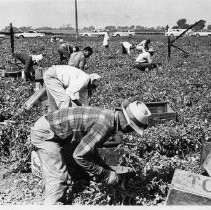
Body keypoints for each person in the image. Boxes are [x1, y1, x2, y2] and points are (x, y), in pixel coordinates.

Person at [30, 100, 151, 204]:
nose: (128, 132)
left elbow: (90, 150)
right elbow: (80, 155)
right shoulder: (105, 125)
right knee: (57, 177)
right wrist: (105, 174)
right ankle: (51, 204)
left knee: (74, 169)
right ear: (127, 125)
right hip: (46, 133)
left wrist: (105, 167)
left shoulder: (109, 116)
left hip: (59, 131)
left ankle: (69, 198)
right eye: (131, 130)